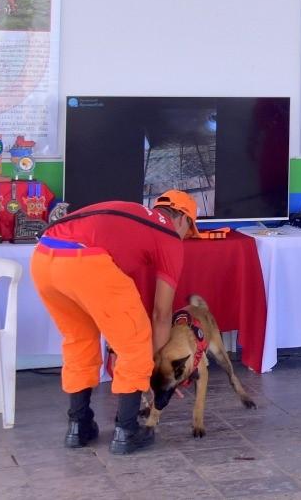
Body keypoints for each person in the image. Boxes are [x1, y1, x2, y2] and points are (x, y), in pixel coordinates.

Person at [29, 189, 196, 454]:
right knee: (135, 343)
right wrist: (156, 373)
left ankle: (78, 425)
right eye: (190, 229)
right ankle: (126, 431)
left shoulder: (134, 212)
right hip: (86, 262)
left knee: (79, 339)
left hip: (43, 256)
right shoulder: (169, 236)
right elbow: (161, 314)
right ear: (182, 218)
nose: (186, 236)